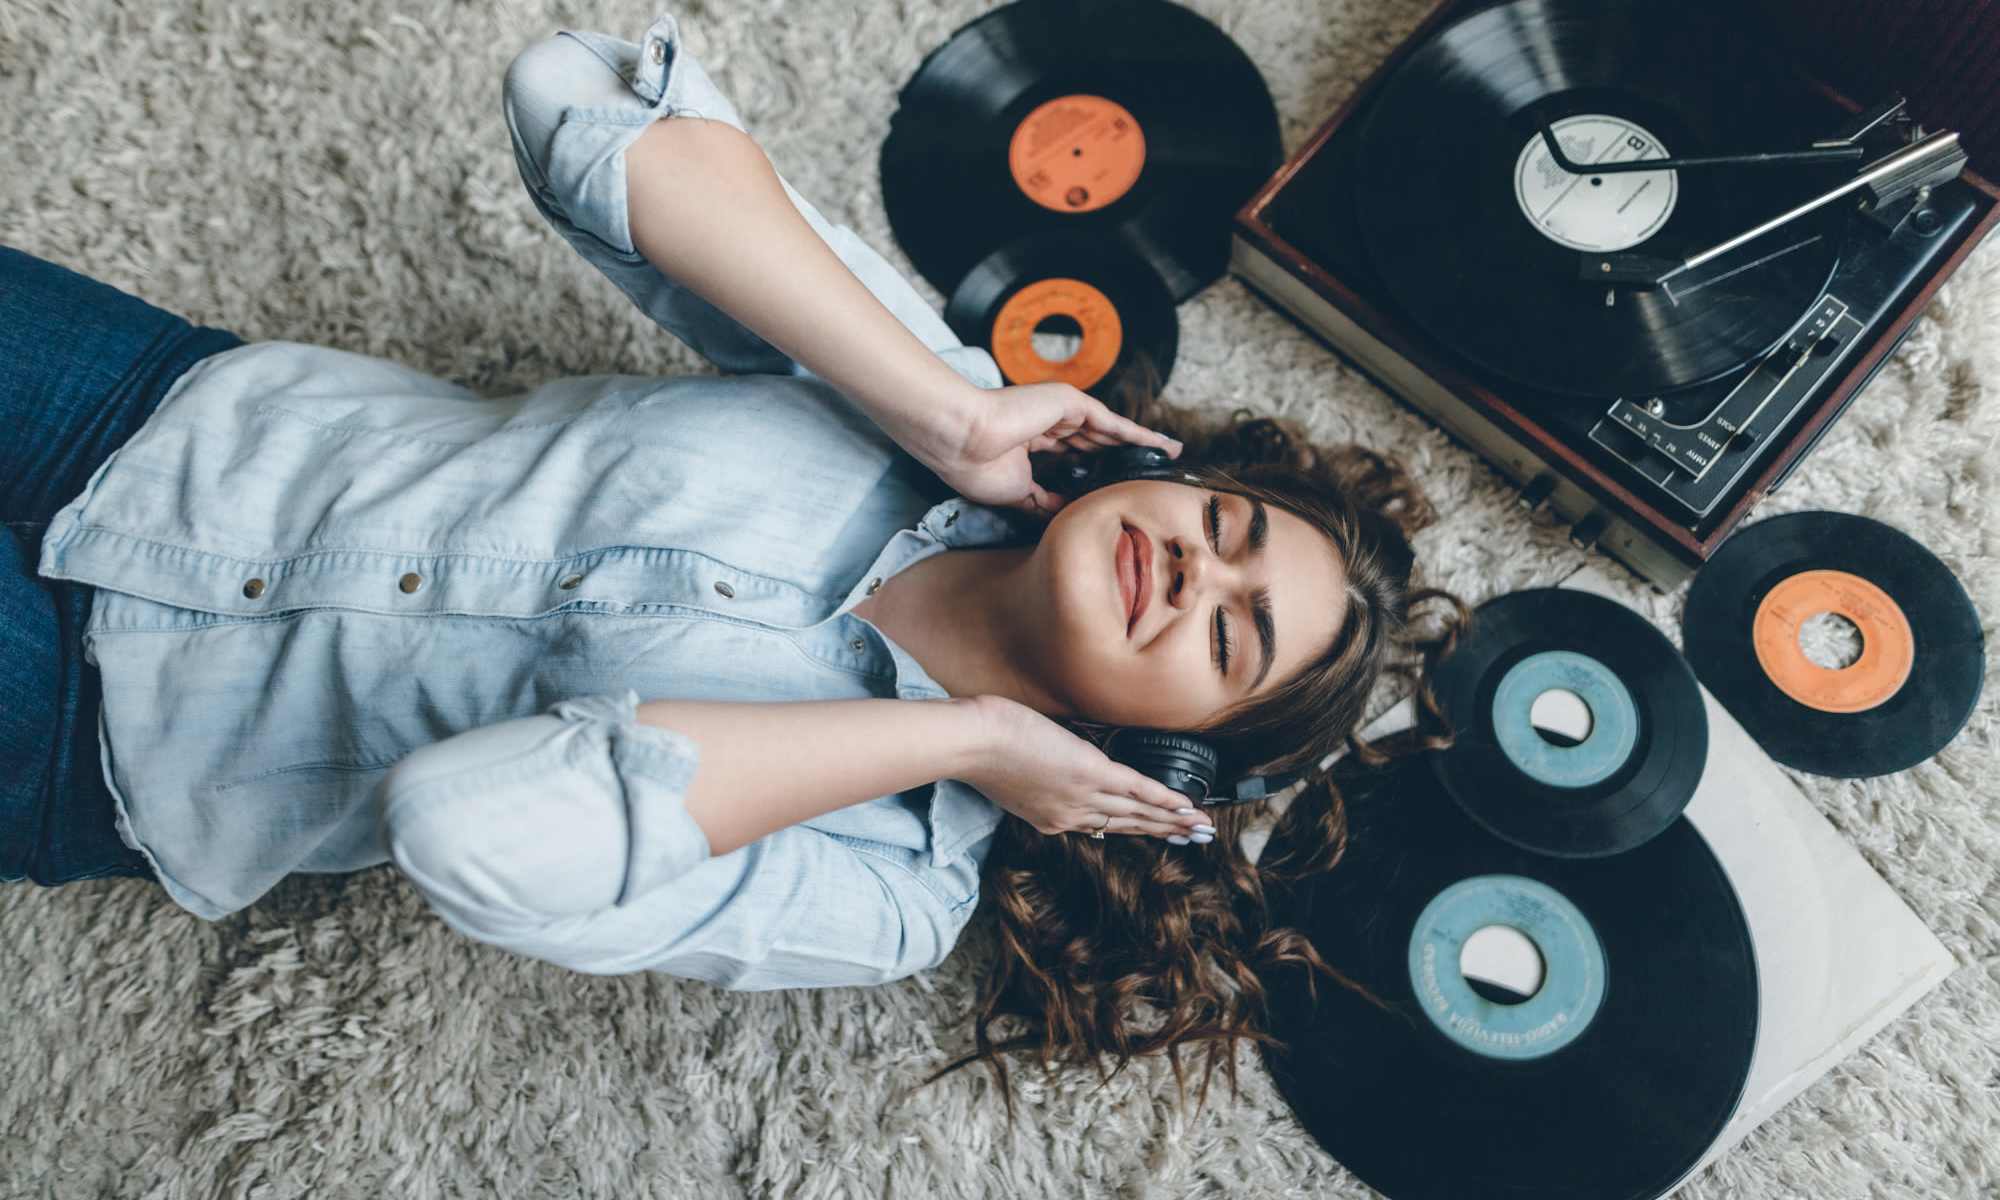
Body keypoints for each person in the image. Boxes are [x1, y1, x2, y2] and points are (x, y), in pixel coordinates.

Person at [2, 11, 1466, 1108]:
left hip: (101, 743)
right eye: (1222, 529)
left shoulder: (886, 891)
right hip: (165, 416)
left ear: (1159, 763)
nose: (1194, 574)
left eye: (1229, 639)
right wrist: (944, 410)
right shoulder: (931, 393)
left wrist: (953, 734)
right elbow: (572, 97)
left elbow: (459, 830)